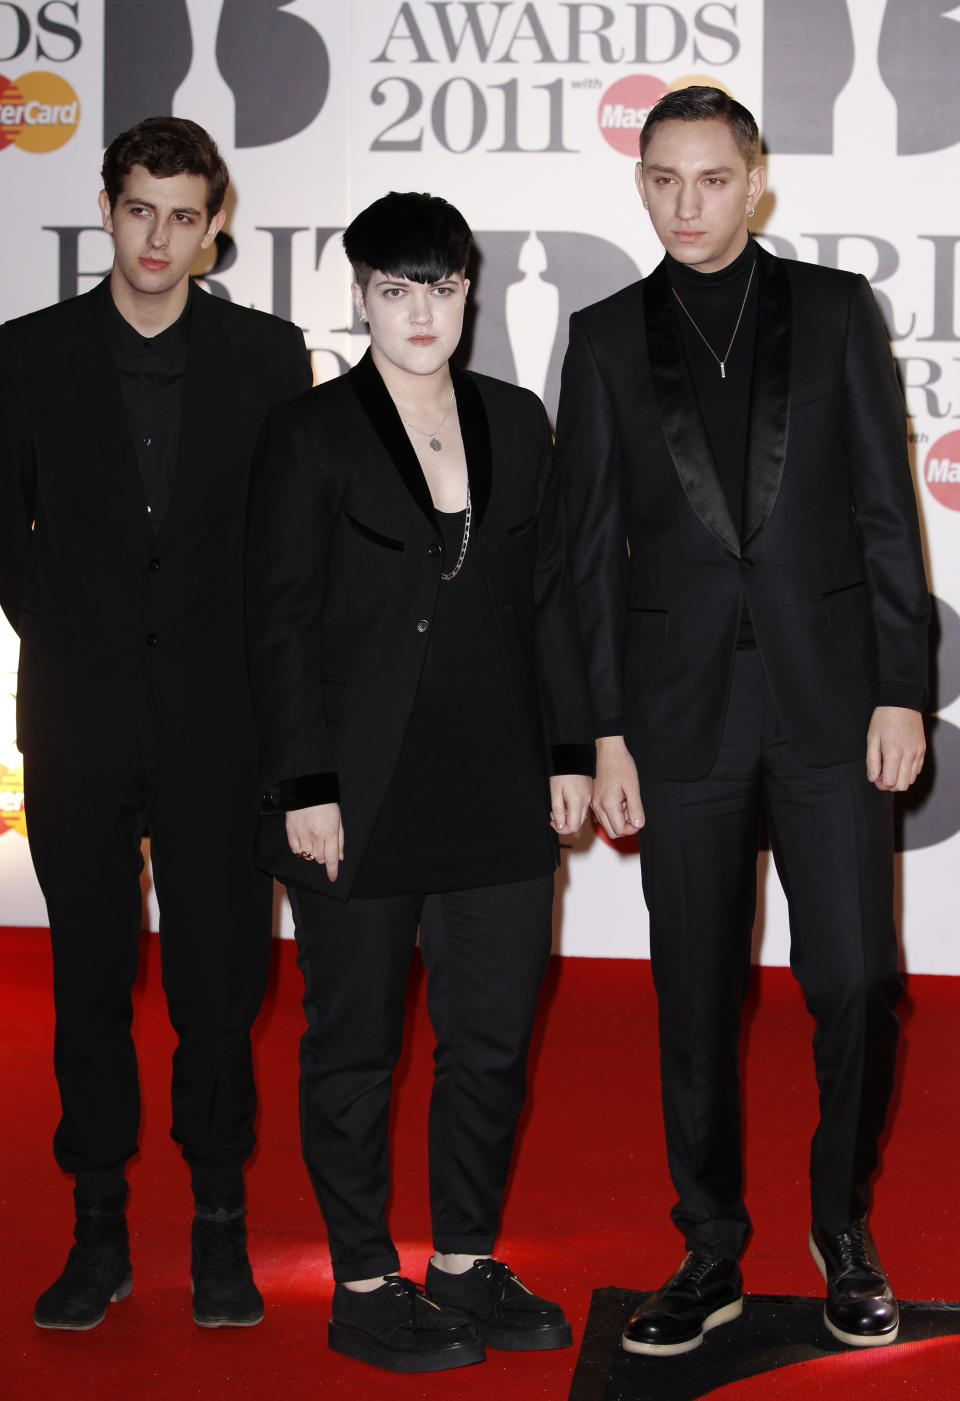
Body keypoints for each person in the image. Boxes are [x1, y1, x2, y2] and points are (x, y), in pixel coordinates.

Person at [555, 87, 929, 1356]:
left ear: (756, 181)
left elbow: (890, 510)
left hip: (831, 703)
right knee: (694, 996)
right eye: (663, 180)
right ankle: (709, 1244)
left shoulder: (830, 312)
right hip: (678, 717)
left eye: (712, 180)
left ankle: (843, 1228)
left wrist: (900, 685)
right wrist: (599, 730)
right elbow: (586, 553)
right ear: (642, 182)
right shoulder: (605, 339)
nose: (686, 205)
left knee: (860, 982)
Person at [245, 191, 594, 1374]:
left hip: (496, 787)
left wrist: (567, 753)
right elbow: (278, 622)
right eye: (395, 289)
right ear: (360, 296)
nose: (420, 312)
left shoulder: (517, 418)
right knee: (353, 1047)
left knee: (490, 1043)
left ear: (468, 290)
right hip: (357, 793)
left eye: (439, 287)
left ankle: (460, 1262)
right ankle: (361, 1282)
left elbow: (550, 601)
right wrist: (303, 782)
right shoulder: (311, 432)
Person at [0, 117, 312, 1331]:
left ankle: (219, 1228)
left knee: (219, 988)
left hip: (220, 724)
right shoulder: (26, 355)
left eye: (185, 216)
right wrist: (70, 633)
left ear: (215, 225)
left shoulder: (266, 356)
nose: (159, 237)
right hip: (75, 717)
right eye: (140, 209)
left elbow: (283, 547)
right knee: (85, 981)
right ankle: (97, 1231)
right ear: (106, 207)